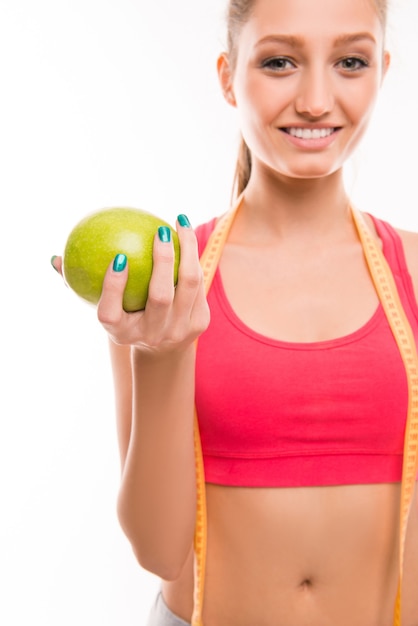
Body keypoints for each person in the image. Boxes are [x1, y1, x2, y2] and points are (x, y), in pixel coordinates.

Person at [52, 0, 418, 624]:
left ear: (382, 71)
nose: (315, 99)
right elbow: (160, 549)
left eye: (350, 62)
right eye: (279, 62)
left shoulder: (413, 272)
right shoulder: (169, 281)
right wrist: (160, 353)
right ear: (227, 76)